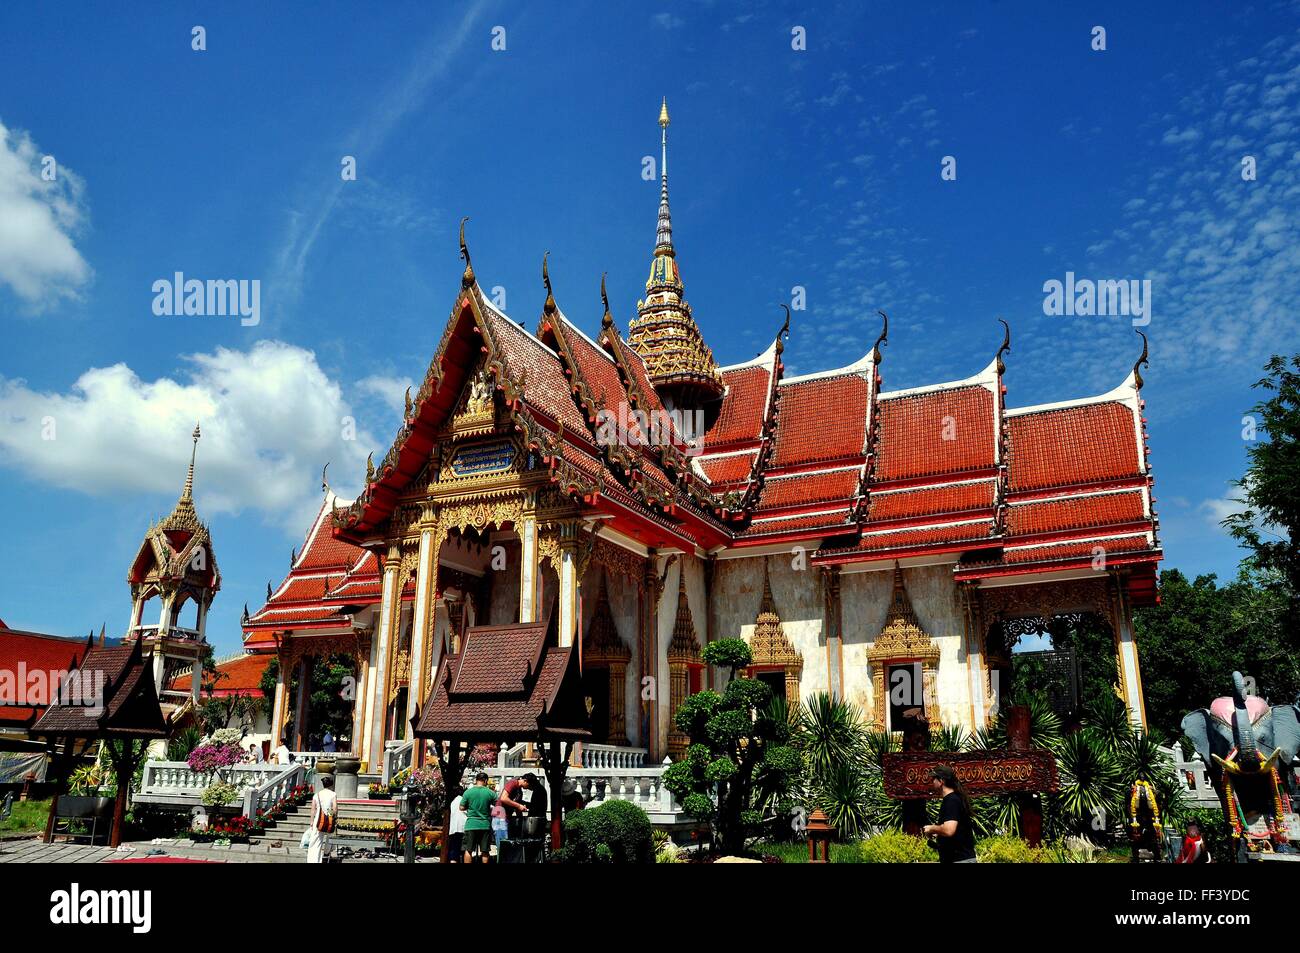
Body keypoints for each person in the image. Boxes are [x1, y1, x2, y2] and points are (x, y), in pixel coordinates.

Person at [922, 764, 977, 863]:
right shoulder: (955, 798)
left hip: (959, 860)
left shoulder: (951, 800)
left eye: (934, 778)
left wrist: (931, 828)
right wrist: (938, 833)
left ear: (941, 781)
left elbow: (949, 830)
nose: (932, 781)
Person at [460, 773, 496, 864]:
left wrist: (470, 806)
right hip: (485, 825)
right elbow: (498, 806)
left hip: (471, 825)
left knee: (468, 850)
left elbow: (461, 807)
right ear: (486, 781)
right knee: (485, 851)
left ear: (476, 780)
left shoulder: (468, 792)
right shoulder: (491, 793)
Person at [307, 775, 337, 864]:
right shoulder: (333, 794)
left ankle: (314, 861)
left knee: (315, 842)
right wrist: (332, 817)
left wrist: (312, 821)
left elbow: (313, 809)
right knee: (330, 838)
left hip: (318, 821)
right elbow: (335, 808)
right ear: (331, 785)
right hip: (330, 820)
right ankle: (327, 853)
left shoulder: (317, 794)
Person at [448, 791, 467, 862]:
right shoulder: (464, 800)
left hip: (453, 828)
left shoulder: (453, 802)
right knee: (464, 850)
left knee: (454, 850)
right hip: (463, 827)